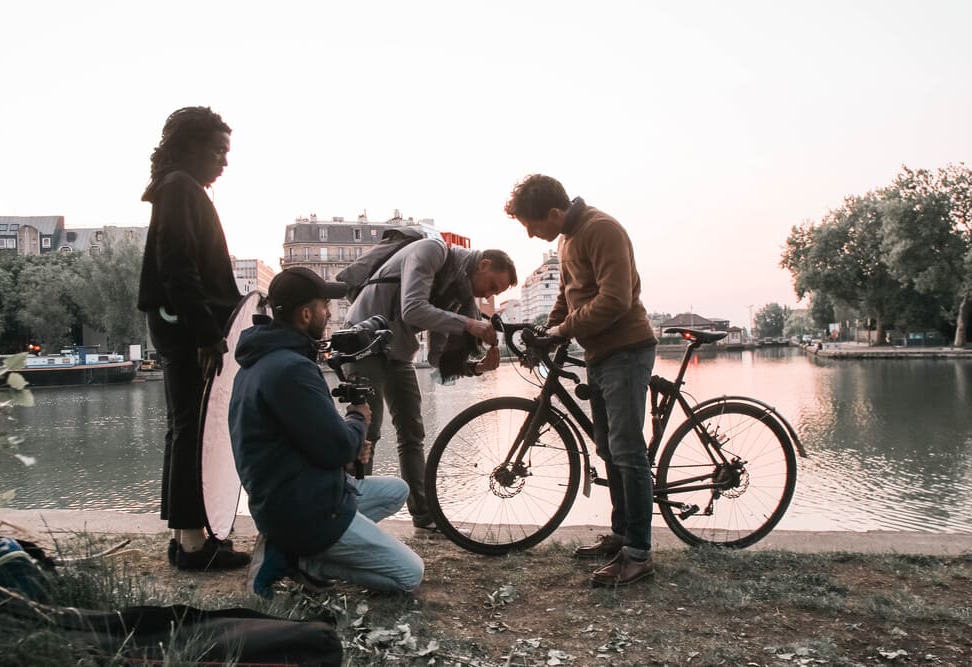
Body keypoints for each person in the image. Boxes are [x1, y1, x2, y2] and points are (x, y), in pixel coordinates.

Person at [229, 267, 423, 597]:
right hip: (304, 508)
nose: (329, 312)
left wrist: (350, 440)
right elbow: (336, 448)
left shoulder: (264, 360)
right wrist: (358, 420)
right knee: (409, 574)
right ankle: (303, 561)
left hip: (290, 494)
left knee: (396, 490)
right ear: (306, 314)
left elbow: (311, 441)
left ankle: (290, 545)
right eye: (323, 306)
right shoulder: (291, 369)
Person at [504, 174, 658, 587]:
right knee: (609, 448)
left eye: (532, 225)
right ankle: (622, 534)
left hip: (627, 349)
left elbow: (615, 299)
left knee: (628, 451)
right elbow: (569, 293)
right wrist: (549, 326)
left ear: (555, 213)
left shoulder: (601, 230)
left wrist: (563, 331)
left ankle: (639, 554)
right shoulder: (567, 238)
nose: (532, 234)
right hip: (601, 353)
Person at [137, 106, 248, 570]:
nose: (224, 161)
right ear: (191, 147)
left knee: (185, 427)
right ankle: (191, 546)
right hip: (188, 330)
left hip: (179, 326)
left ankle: (188, 534)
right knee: (192, 430)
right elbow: (177, 264)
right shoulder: (181, 188)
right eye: (218, 150)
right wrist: (206, 334)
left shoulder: (178, 188)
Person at [344, 239, 518, 530]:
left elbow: (438, 357)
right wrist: (468, 324)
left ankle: (424, 516)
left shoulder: (457, 293)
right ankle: (351, 519)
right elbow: (412, 309)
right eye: (491, 286)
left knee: (412, 432)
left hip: (397, 351)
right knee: (367, 431)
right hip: (364, 342)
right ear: (483, 264)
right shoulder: (432, 252)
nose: (487, 295)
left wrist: (476, 367)